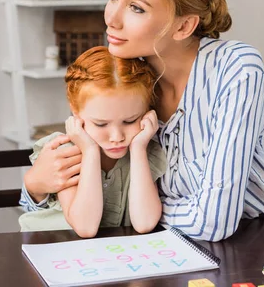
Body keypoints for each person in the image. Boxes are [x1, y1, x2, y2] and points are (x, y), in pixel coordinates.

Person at [20, 0, 264, 242]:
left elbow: (214, 222)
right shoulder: (129, 73)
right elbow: (89, 178)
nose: (111, 18)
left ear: (183, 26)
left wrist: (139, 213)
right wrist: (35, 185)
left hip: (256, 238)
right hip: (158, 242)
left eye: (136, 7)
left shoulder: (236, 69)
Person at [18, 46, 167, 237]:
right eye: (101, 124)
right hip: (49, 247)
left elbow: (144, 223)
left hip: (103, 256)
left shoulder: (144, 149)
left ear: (147, 113)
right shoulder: (64, 150)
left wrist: (138, 149)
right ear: (76, 112)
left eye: (130, 121)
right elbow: (85, 227)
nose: (116, 137)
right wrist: (89, 151)